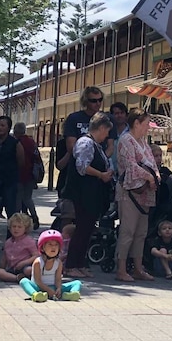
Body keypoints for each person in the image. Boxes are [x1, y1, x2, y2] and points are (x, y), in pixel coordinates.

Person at [62, 112, 114, 279]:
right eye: (107, 131)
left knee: (88, 229)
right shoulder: (85, 142)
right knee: (82, 229)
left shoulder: (96, 145)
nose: (107, 136)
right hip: (83, 194)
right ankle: (70, 265)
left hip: (93, 195)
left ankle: (80, 263)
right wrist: (101, 174)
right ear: (101, 128)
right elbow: (82, 166)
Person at [115, 107, 159, 282]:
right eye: (146, 123)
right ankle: (121, 268)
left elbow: (152, 163)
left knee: (140, 232)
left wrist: (155, 176)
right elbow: (131, 165)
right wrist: (149, 177)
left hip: (145, 192)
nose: (148, 127)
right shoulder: (126, 140)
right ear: (136, 123)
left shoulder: (143, 142)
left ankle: (138, 268)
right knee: (128, 231)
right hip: (130, 192)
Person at [60, 87, 117, 192]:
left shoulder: (108, 119)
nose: (98, 103)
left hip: (100, 167)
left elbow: (110, 146)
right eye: (93, 100)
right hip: (78, 169)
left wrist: (100, 160)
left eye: (100, 100)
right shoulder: (74, 118)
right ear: (86, 101)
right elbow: (71, 147)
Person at [0, 115, 24, 248]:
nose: (0, 127)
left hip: (9, 180)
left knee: (11, 211)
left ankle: (10, 241)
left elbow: (21, 161)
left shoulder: (15, 143)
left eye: (3, 125)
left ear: (8, 127)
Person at [20, 229, 82, 302]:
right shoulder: (38, 262)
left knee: (77, 283)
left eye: (56, 245)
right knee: (23, 281)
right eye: (50, 244)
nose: (53, 247)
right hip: (39, 287)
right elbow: (38, 281)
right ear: (42, 248)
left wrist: (58, 288)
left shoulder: (58, 263)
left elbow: (58, 279)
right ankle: (35, 295)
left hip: (53, 287)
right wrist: (48, 291)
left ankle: (71, 294)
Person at [0, 212, 39, 282]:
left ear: (26, 228)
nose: (16, 229)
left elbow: (36, 255)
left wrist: (24, 263)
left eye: (19, 227)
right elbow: (4, 258)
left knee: (29, 270)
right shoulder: (8, 242)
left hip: (25, 266)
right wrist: (2, 268)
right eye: (14, 226)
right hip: (12, 268)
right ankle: (17, 278)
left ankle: (26, 278)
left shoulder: (29, 241)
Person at [13, 122, 40, 228]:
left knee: (18, 198)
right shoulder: (31, 142)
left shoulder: (17, 142)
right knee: (28, 197)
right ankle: (34, 216)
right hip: (31, 173)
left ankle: (18, 220)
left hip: (20, 173)